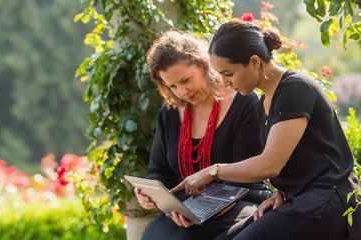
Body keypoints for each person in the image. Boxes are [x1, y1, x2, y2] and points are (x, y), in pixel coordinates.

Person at [170, 21, 361, 240]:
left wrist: (211, 171)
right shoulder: (265, 101)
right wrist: (280, 193)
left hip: (329, 202)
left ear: (253, 62)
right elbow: (303, 161)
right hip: (300, 200)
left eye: (228, 73)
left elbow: (270, 164)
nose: (224, 82)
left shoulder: (295, 88)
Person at [137, 30, 271, 240]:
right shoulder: (170, 113)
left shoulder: (244, 102)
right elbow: (158, 168)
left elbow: (244, 177)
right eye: (172, 86)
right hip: (186, 208)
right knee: (152, 235)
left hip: (240, 200)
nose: (182, 92)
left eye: (186, 80)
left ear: (204, 65)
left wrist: (197, 211)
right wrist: (150, 191)